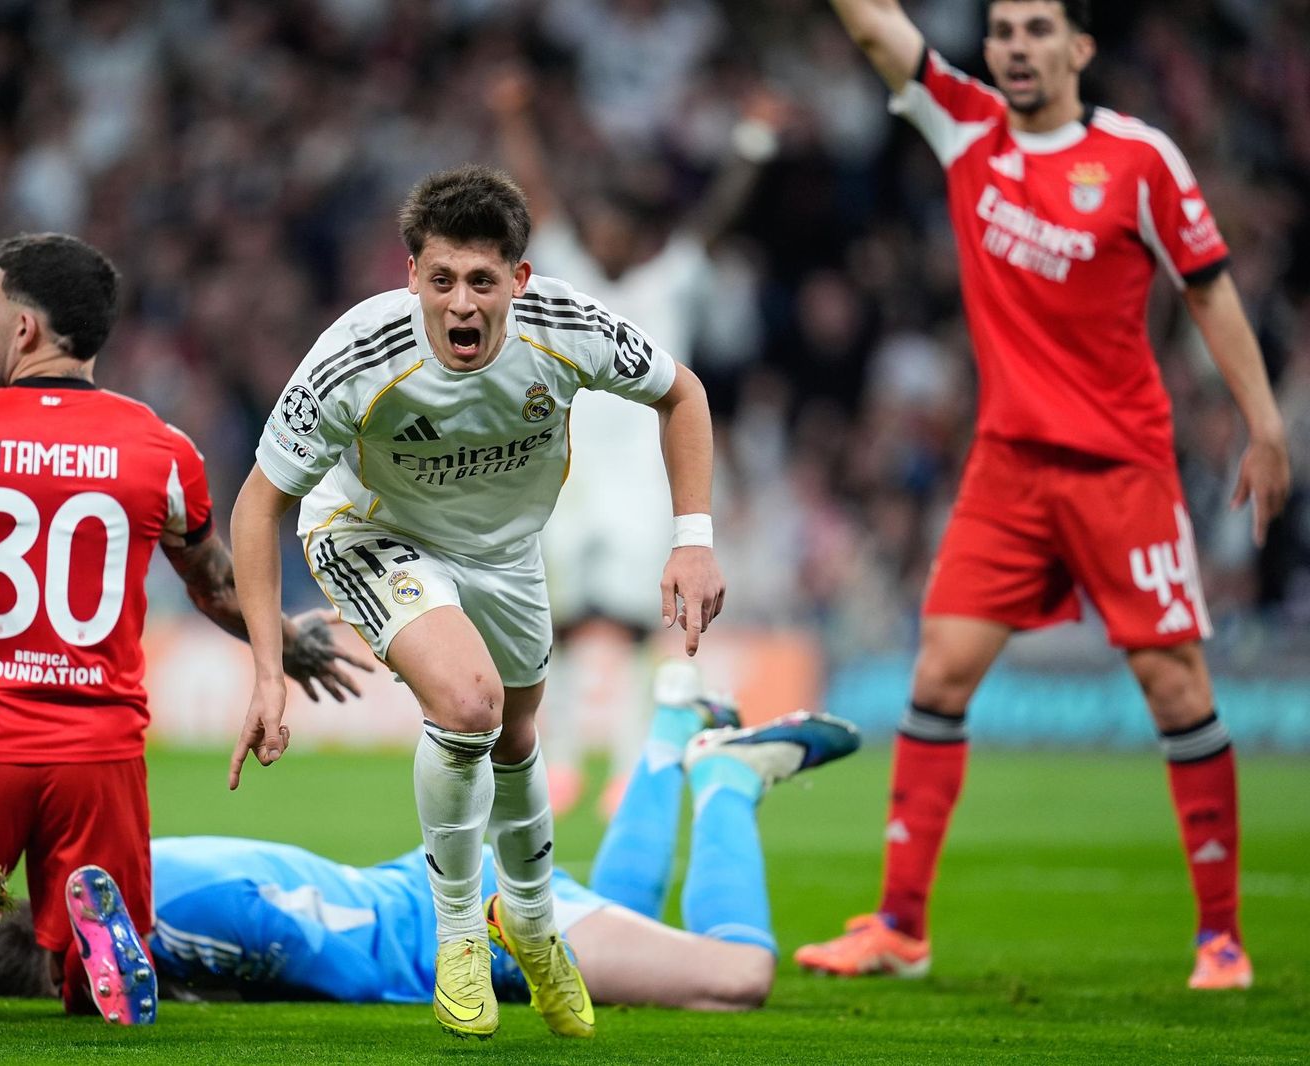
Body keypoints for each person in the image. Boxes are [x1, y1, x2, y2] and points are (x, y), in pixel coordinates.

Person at [793, 0, 1290, 991]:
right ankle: (899, 925)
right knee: (936, 675)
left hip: (1121, 469)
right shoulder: (963, 121)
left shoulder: (1139, 158)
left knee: (1177, 690)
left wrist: (1264, 424)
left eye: (1036, 30)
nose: (1015, 47)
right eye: (1003, 30)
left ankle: (1220, 938)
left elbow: (1207, 285)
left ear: (1079, 48)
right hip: (1007, 470)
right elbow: (871, 27)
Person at [227, 165, 726, 1039]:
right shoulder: (357, 355)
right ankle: (459, 930)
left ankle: (529, 922)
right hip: (371, 532)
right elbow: (258, 503)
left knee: (520, 735)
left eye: (483, 282)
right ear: (410, 274)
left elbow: (681, 393)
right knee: (468, 704)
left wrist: (693, 537)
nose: (462, 303)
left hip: (505, 551)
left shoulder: (568, 325)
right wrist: (266, 669)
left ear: (519, 282)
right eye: (442, 279)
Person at [0, 232, 366, 1024]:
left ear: (25, 329)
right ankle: (97, 945)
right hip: (98, 751)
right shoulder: (161, 449)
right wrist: (283, 642)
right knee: (88, 975)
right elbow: (213, 586)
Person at [0, 683, 861, 1011]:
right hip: (433, 902)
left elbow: (320, 939)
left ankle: (726, 786)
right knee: (628, 925)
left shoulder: (179, 914)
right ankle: (673, 739)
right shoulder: (141, 873)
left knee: (734, 981)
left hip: (467, 929)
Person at [488, 68, 785, 815]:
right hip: (568, 482)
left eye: (621, 231)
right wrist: (515, 117)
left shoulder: (671, 280)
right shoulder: (569, 277)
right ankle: (552, 763)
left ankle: (625, 766)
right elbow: (537, 193)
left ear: (641, 237)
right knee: (546, 628)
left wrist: (754, 139)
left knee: (637, 630)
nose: (608, 241)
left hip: (647, 487)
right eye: (601, 230)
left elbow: (721, 215)